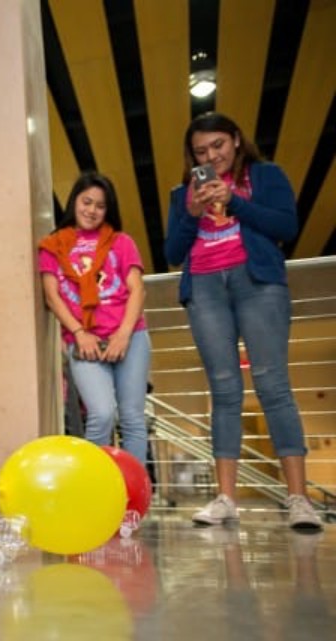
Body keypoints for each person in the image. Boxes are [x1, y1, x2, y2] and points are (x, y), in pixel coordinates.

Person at [164, 111, 322, 529]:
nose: (211, 156)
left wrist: (234, 201)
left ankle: (299, 499)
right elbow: (173, 252)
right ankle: (225, 500)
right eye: (201, 151)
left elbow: (285, 225)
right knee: (224, 390)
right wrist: (192, 211)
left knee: (273, 385)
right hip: (204, 287)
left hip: (258, 283)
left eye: (218, 145)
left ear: (235, 140)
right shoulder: (184, 193)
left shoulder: (265, 176)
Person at [39, 172, 150, 464]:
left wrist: (124, 334)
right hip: (83, 338)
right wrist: (78, 332)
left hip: (130, 336)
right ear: (74, 201)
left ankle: (133, 500)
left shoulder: (122, 242)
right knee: (101, 413)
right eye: (86, 202)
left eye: (100, 206)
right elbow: (53, 297)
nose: (92, 210)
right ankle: (96, 491)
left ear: (107, 210)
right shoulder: (53, 245)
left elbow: (137, 289)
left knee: (132, 419)